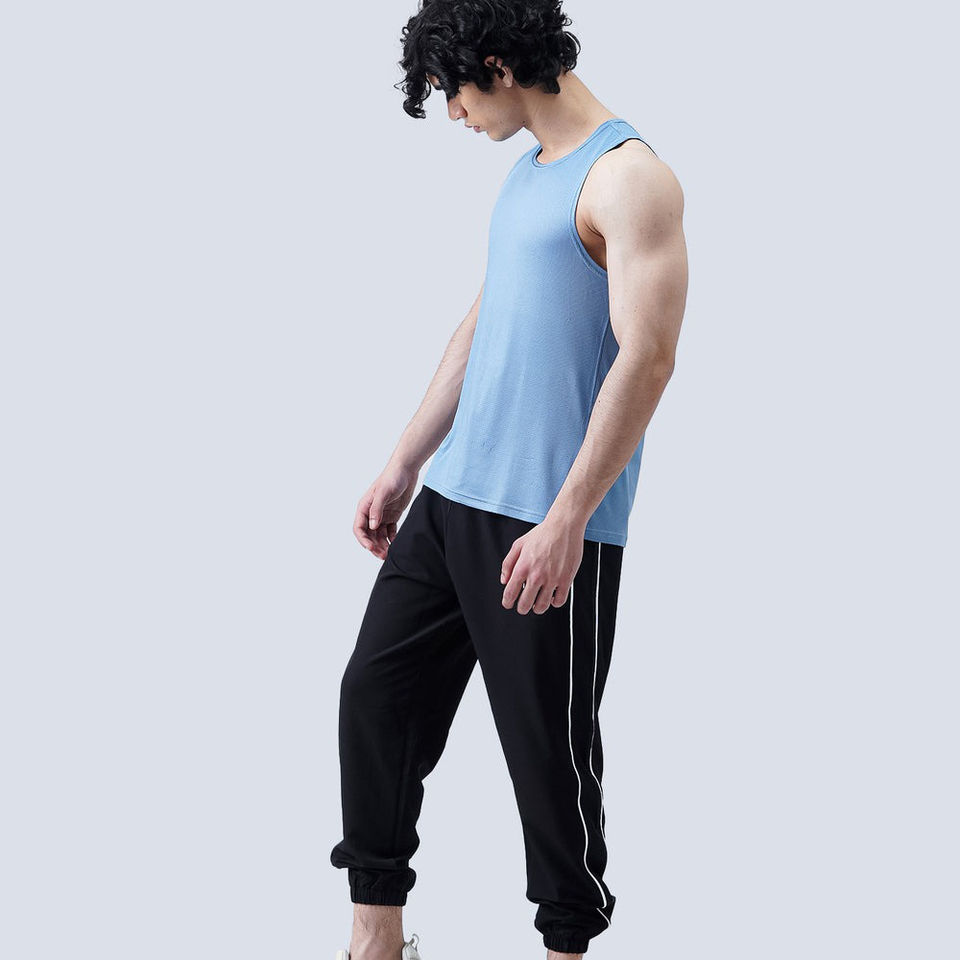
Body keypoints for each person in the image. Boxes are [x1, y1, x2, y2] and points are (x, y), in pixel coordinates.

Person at [330, 2, 688, 958]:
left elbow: (649, 358)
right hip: (452, 502)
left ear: (496, 63)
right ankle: (376, 938)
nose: (452, 113)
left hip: (545, 523)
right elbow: (480, 326)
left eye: (451, 91)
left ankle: (566, 945)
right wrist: (405, 462)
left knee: (547, 758)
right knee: (375, 699)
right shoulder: (529, 173)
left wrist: (568, 519)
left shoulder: (629, 177)